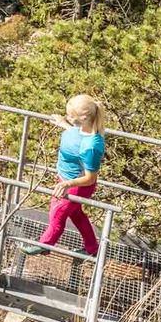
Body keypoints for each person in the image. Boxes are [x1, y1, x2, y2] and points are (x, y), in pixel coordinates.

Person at [40, 94, 105, 256]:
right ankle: (92, 248)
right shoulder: (82, 130)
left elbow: (91, 178)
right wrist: (63, 123)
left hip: (76, 185)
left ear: (83, 117)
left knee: (58, 213)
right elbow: (76, 133)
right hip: (66, 179)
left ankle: (45, 244)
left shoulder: (91, 147)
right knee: (77, 215)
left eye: (70, 116)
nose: (67, 118)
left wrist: (67, 184)